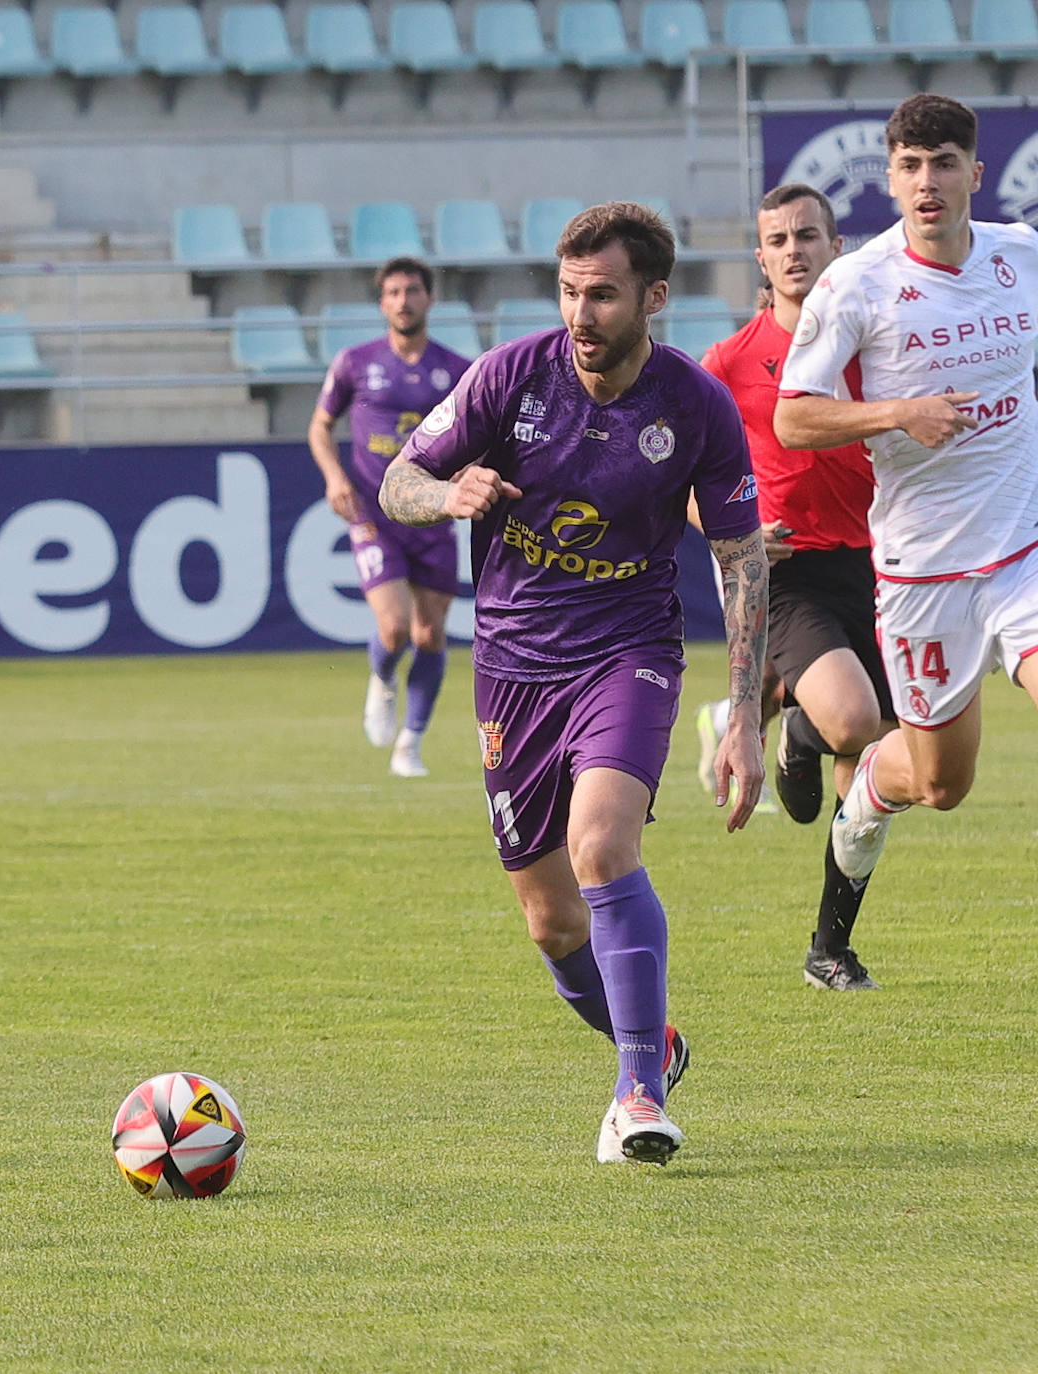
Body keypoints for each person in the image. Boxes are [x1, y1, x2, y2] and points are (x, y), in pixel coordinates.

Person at [775, 93, 1038, 1031]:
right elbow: (795, 417)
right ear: (890, 179)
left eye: (944, 162)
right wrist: (892, 413)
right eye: (910, 166)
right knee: (940, 783)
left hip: (1032, 541)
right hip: (922, 573)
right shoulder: (854, 286)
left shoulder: (1019, 252)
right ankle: (873, 780)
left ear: (974, 175)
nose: (927, 182)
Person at [380, 203, 769, 1163]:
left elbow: (741, 558)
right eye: (568, 293)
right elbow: (399, 481)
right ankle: (657, 1043)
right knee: (552, 921)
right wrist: (446, 494)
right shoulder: (508, 378)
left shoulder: (693, 407)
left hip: (627, 653)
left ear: (653, 297)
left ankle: (637, 1092)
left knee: (601, 846)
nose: (581, 314)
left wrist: (747, 715)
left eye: (601, 295)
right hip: (511, 668)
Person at [693, 183, 896, 992]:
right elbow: (685, 477)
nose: (793, 251)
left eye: (807, 235)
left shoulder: (877, 342)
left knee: (875, 771)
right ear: (761, 257)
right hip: (791, 570)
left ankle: (829, 948)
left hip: (889, 566)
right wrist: (725, 532)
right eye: (777, 239)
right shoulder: (728, 363)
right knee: (853, 721)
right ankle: (807, 726)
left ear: (835, 247)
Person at [308, 256, 472, 778]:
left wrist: (466, 480)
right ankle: (382, 681)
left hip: (432, 512)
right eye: (394, 292)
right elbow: (319, 427)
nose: (403, 300)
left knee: (430, 634)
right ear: (382, 303)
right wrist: (335, 477)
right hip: (374, 511)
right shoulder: (355, 362)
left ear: (429, 299)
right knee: (395, 626)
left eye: (413, 290)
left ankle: (411, 744)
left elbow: (476, 437)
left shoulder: (458, 368)